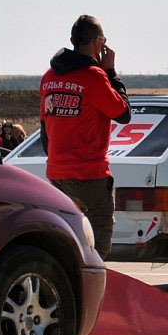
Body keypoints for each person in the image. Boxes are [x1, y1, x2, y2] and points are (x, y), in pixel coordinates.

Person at [40, 14, 131, 259]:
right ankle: (93, 293)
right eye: (103, 40)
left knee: (66, 241)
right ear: (96, 42)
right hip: (90, 176)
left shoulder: (50, 77)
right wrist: (111, 72)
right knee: (97, 245)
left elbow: (44, 129)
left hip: (58, 174)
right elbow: (123, 112)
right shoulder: (94, 76)